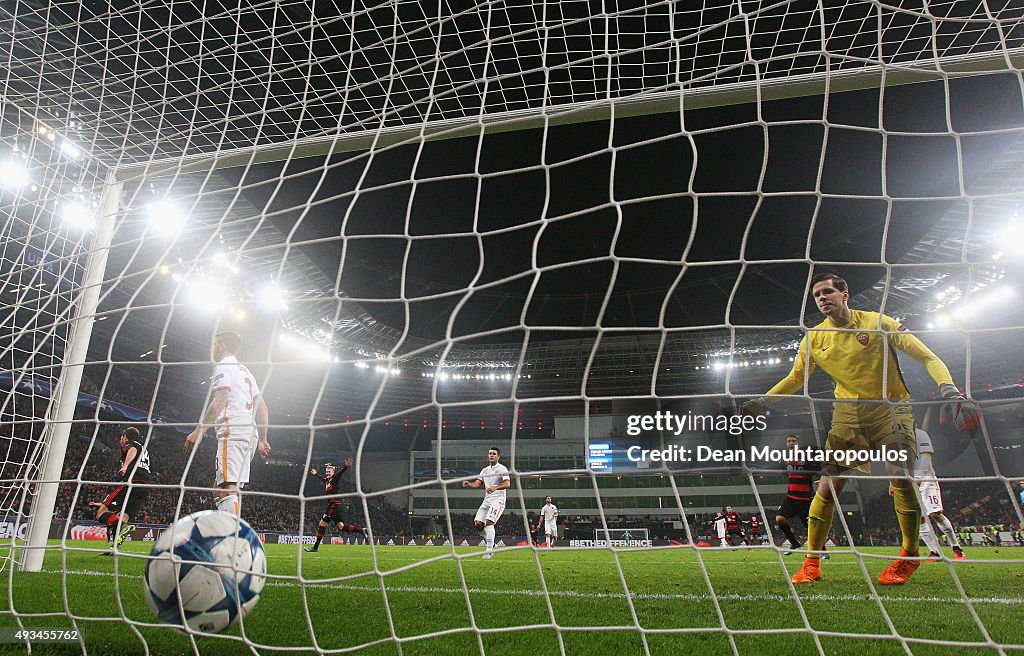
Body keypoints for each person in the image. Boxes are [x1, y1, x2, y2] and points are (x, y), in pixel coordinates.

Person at [741, 272, 979, 585]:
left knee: (900, 475)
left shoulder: (879, 322)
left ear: (845, 294)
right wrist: (764, 401)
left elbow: (926, 355)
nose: (822, 298)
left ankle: (909, 553)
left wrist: (949, 390)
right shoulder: (814, 338)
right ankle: (812, 561)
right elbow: (796, 378)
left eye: (827, 292)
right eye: (817, 295)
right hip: (847, 418)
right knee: (828, 486)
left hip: (891, 411)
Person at [184, 331, 271, 517]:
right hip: (250, 435)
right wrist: (263, 439)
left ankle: (235, 540)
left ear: (221, 345)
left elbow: (220, 401)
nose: (212, 349)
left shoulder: (224, 365)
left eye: (214, 345)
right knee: (219, 489)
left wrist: (199, 431)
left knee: (225, 489)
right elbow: (262, 407)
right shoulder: (245, 371)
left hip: (233, 430)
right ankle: (227, 533)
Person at [90, 427, 151, 551]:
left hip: (131, 480)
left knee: (101, 513)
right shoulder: (144, 449)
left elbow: (132, 450)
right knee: (124, 515)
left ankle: (120, 527)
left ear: (124, 437)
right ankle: (115, 547)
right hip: (145, 485)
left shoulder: (131, 444)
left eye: (121, 438)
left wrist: (125, 466)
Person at [911, 427, 966, 561]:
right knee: (920, 517)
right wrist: (892, 482)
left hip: (926, 480)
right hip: (909, 482)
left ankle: (956, 547)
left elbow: (926, 458)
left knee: (935, 514)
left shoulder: (920, 434)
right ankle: (934, 551)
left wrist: (918, 477)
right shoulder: (894, 439)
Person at [775, 434, 826, 556]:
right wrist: (757, 469)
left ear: (799, 442)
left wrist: (821, 478)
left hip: (805, 497)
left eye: (793, 441)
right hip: (791, 497)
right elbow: (777, 467)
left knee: (809, 526)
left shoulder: (806, 455)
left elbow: (819, 468)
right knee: (780, 519)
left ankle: (823, 550)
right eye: (789, 441)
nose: (791, 443)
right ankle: (794, 543)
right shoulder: (785, 456)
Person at [304, 459, 367, 552]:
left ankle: (315, 547)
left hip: (334, 505)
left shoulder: (335, 478)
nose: (327, 473)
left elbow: (340, 473)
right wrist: (316, 474)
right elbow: (322, 478)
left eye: (329, 471)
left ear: (333, 472)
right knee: (341, 527)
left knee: (322, 523)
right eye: (326, 471)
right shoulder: (327, 481)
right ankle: (362, 530)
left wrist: (346, 467)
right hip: (336, 506)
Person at [462, 447, 510, 559]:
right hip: (487, 500)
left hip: (498, 500)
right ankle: (492, 544)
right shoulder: (485, 470)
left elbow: (507, 484)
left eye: (494, 454)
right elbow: (477, 483)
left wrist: (495, 488)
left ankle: (489, 551)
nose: (491, 455)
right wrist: (469, 484)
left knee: (489, 522)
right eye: (490, 454)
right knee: (478, 524)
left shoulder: (502, 469)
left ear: (498, 457)